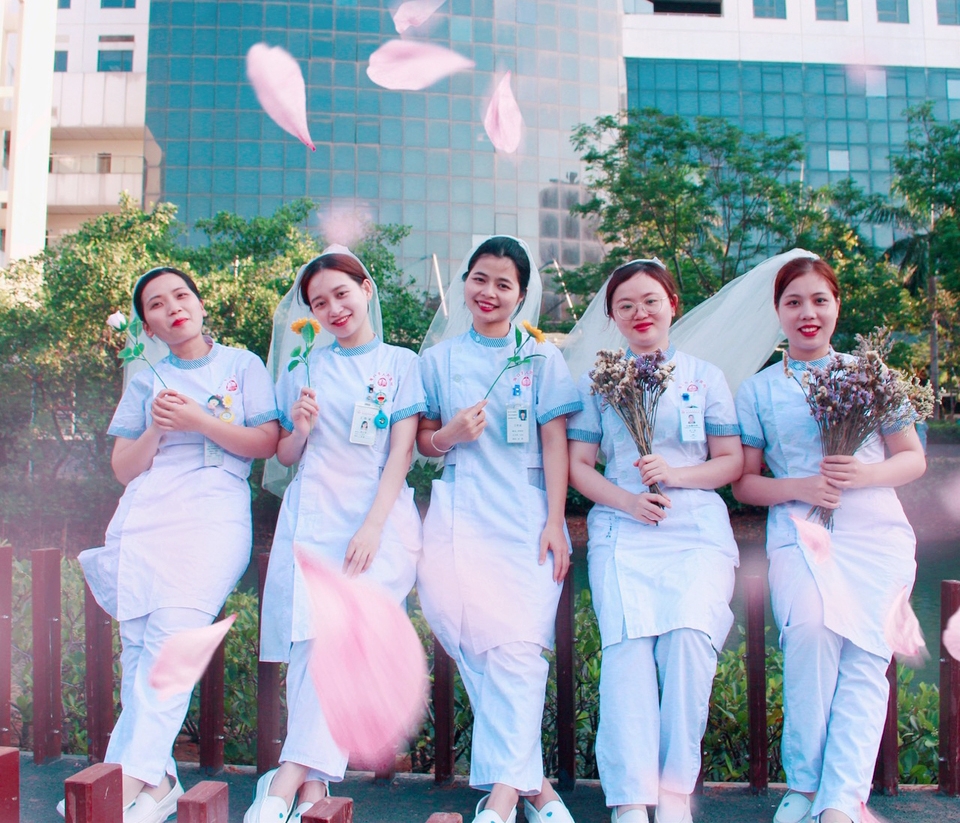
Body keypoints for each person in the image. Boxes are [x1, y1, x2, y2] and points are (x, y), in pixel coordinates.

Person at [78, 267, 280, 823]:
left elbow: (267, 441)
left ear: (199, 302)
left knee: (172, 647)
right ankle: (157, 784)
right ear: (147, 325)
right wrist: (158, 429)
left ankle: (117, 786)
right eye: (156, 304)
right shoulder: (145, 376)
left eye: (181, 295)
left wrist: (199, 420)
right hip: (149, 515)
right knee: (139, 652)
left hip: (213, 516)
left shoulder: (242, 364)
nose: (173, 308)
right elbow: (124, 468)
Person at [732, 256, 926, 823]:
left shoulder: (871, 373)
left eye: (819, 299)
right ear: (778, 312)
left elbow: (912, 458)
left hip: (876, 534)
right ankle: (806, 785)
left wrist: (863, 474)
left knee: (867, 661)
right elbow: (745, 483)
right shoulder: (758, 390)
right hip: (800, 531)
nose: (807, 313)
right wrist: (803, 486)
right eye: (793, 302)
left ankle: (842, 799)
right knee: (811, 636)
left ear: (837, 304)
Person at [249, 247, 425, 823]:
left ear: (366, 288)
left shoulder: (401, 363)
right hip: (313, 518)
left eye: (341, 294)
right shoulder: (303, 366)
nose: (333, 309)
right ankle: (312, 790)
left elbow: (401, 452)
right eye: (319, 303)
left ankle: (286, 777)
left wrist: (372, 527)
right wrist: (299, 428)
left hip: (378, 521)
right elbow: (285, 455)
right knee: (311, 646)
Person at [565, 259, 743, 823]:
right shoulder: (599, 381)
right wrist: (628, 501)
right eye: (625, 306)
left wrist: (675, 475)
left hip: (695, 529)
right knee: (628, 656)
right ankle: (628, 799)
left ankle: (673, 793)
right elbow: (579, 465)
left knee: (690, 643)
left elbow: (731, 461)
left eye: (650, 301)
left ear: (672, 305)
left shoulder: (704, 377)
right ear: (613, 316)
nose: (639, 313)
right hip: (624, 527)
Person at [416, 236, 582, 823]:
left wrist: (556, 521)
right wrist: (449, 435)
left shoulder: (541, 359)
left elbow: (556, 442)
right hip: (461, 513)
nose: (489, 292)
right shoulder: (437, 360)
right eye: (480, 279)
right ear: (465, 282)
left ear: (521, 294)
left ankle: (504, 799)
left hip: (526, 517)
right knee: (470, 642)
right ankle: (536, 789)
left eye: (503, 284)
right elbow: (422, 442)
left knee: (519, 649)